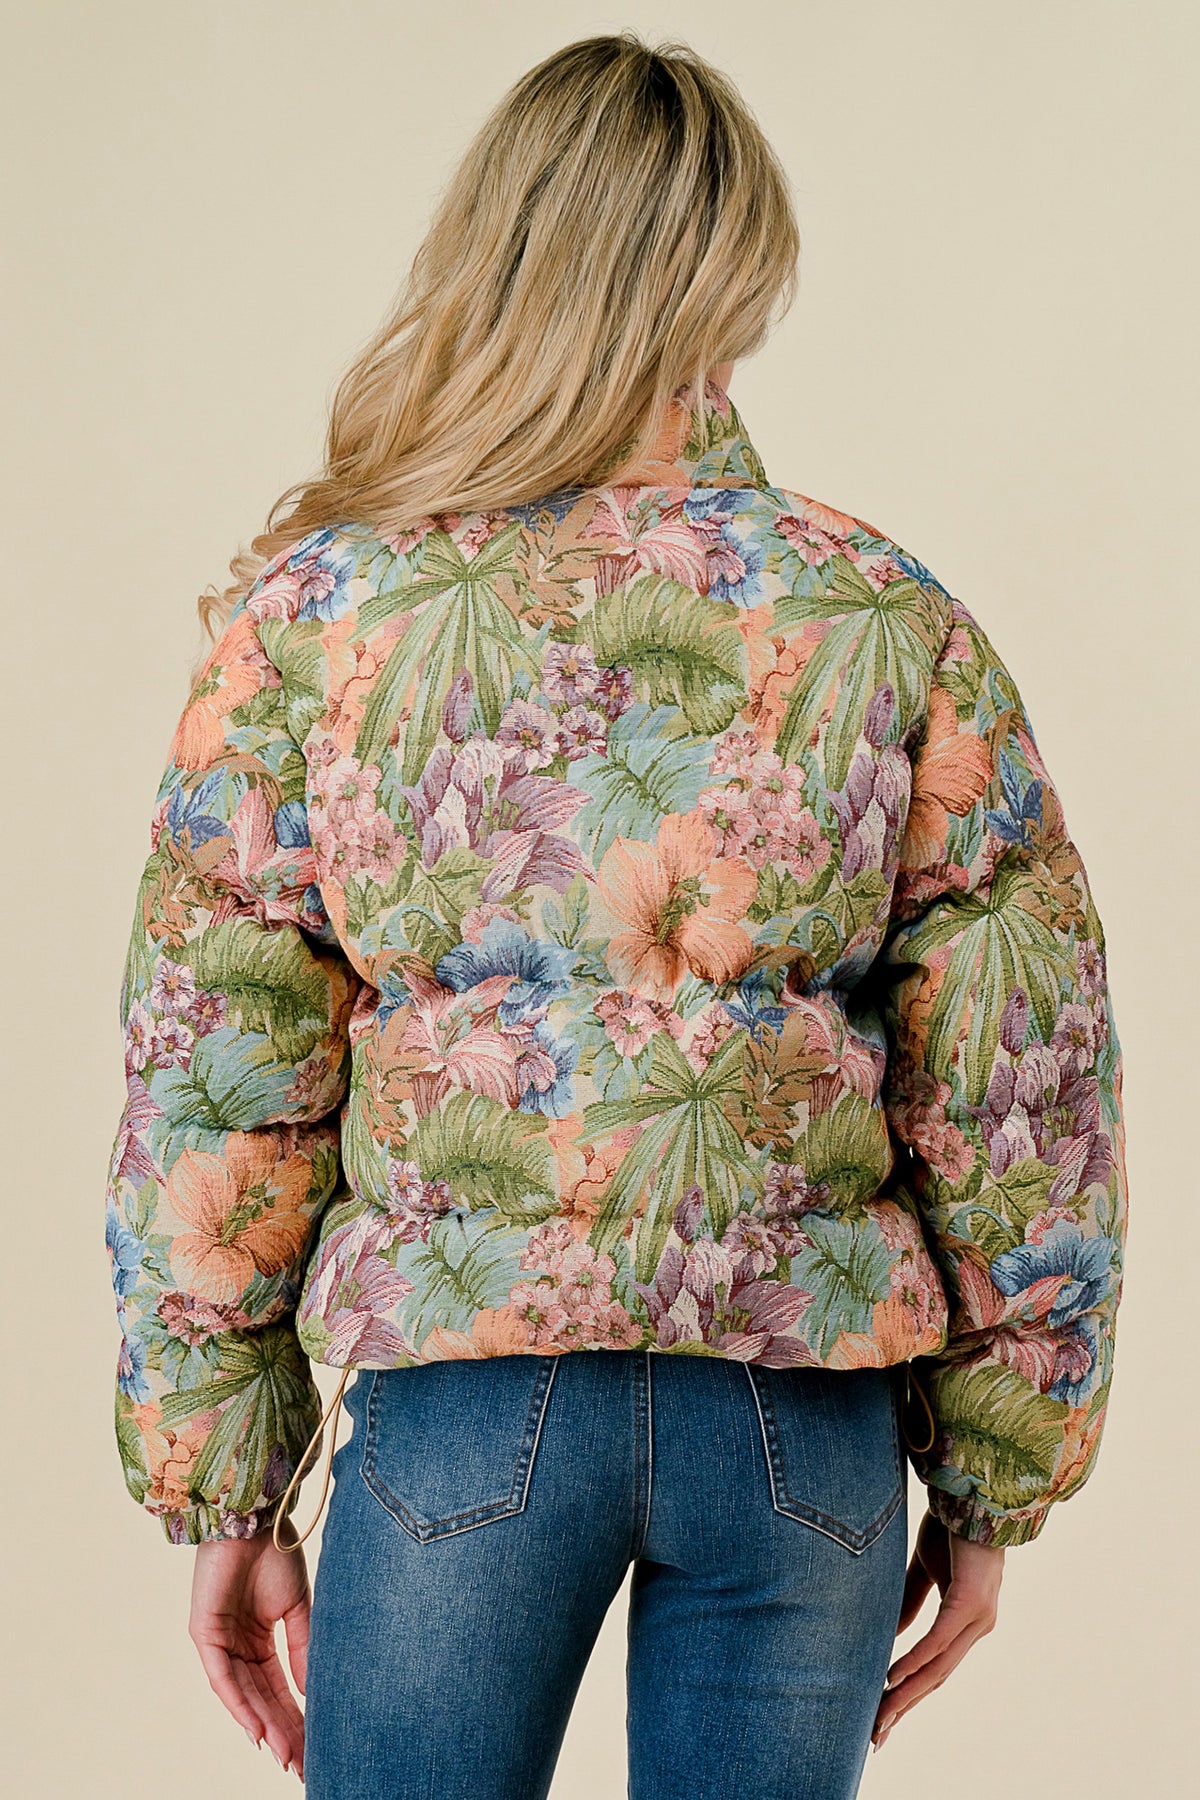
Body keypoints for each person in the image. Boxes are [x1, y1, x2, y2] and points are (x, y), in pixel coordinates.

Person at [104, 31, 1129, 1800]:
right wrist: (993, 1481)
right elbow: (1023, 1069)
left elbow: (216, 1075)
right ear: (735, 285)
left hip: (466, 1404)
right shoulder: (880, 612)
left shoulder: (322, 620)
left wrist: (227, 1490)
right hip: (798, 1416)